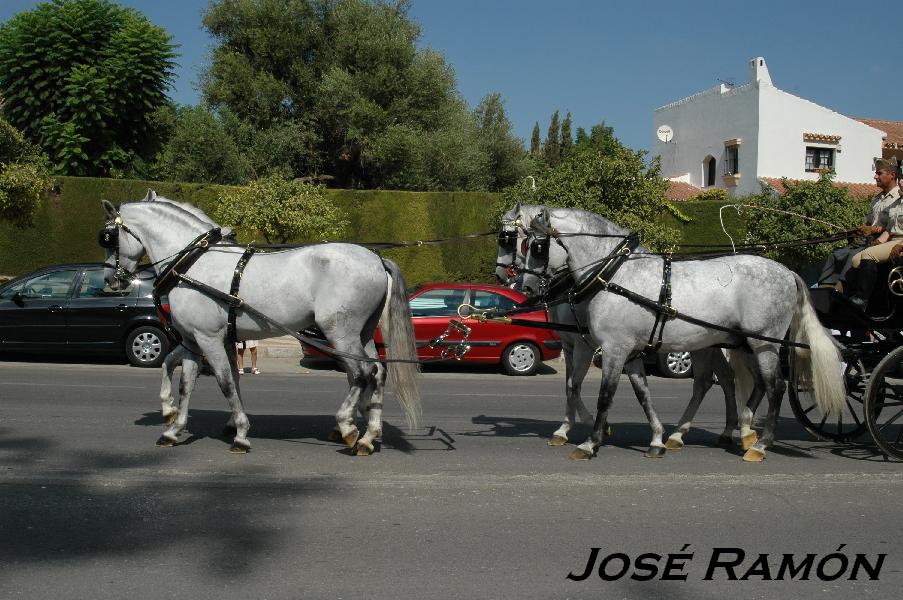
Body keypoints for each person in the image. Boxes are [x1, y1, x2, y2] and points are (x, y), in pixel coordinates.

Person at [818, 158, 901, 292]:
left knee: (853, 256)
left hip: (884, 241)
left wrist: (874, 230)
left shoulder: (898, 198)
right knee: (837, 254)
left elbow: (894, 227)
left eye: (879, 173)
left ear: (892, 175)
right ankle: (824, 289)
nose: (875, 177)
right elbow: (869, 223)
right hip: (868, 239)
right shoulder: (877, 199)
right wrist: (859, 229)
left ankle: (841, 292)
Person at [845, 159, 903, 308]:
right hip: (892, 239)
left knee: (868, 255)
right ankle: (859, 298)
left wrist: (900, 246)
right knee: (856, 259)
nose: (901, 183)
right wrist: (878, 242)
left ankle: (861, 300)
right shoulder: (898, 203)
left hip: (900, 242)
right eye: (902, 180)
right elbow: (889, 229)